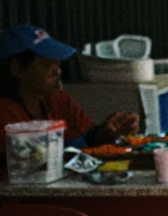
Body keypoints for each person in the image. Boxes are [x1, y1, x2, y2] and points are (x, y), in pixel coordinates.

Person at [0, 25, 140, 152]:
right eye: (47, 64)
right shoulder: (5, 111)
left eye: (57, 63)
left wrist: (108, 132)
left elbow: (88, 137)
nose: (58, 71)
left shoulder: (57, 98)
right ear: (17, 69)